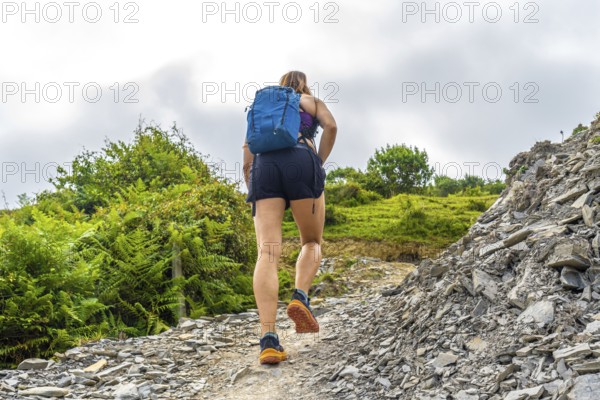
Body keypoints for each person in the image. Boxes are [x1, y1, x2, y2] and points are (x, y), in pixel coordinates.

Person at [242, 71, 338, 364]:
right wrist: (316, 163)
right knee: (311, 241)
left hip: (264, 168)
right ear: (303, 85)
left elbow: (247, 158)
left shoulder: (260, 109)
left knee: (267, 251)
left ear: (280, 86)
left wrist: (257, 190)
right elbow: (332, 127)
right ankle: (300, 296)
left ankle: (268, 340)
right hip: (301, 159)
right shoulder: (310, 101)